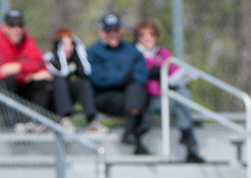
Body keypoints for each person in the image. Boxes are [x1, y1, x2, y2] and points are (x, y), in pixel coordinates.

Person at [0, 9, 67, 132]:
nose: (16, 29)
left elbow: (40, 64)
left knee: (43, 81)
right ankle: (16, 124)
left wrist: (19, 66)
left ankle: (38, 122)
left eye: (20, 25)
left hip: (18, 89)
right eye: (12, 25)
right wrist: (27, 75)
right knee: (8, 81)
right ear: (5, 27)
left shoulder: (26, 40)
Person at [133, 21, 204, 163]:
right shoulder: (134, 53)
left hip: (165, 96)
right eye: (143, 35)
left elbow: (174, 71)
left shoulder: (162, 53)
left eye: (151, 34)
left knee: (183, 95)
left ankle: (190, 144)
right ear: (137, 37)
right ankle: (188, 138)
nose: (147, 38)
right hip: (148, 99)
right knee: (182, 102)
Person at [87, 13, 151, 155]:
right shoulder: (93, 51)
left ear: (121, 30)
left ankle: (129, 132)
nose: (112, 34)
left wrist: (128, 80)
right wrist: (122, 79)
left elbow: (142, 74)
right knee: (137, 96)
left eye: (115, 30)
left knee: (136, 90)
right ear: (102, 32)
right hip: (105, 97)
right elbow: (97, 78)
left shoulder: (131, 50)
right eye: (109, 30)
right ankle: (137, 136)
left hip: (129, 96)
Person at [43, 28, 108, 134]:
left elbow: (85, 72)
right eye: (64, 44)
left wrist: (79, 49)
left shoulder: (75, 60)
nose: (68, 48)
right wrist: (61, 55)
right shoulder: (49, 59)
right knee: (60, 82)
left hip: (68, 98)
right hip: (52, 101)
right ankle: (64, 119)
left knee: (83, 83)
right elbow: (62, 72)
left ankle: (92, 120)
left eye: (71, 44)